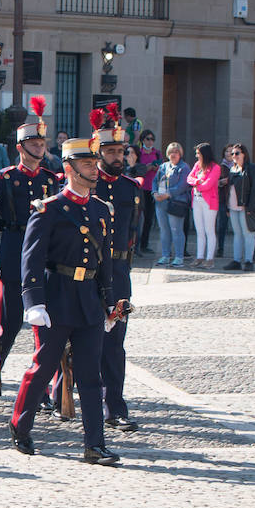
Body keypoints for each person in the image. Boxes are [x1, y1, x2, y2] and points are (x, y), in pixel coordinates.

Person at [9, 135, 119, 465]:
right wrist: (33, 302)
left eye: (94, 163)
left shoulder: (101, 210)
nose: (95, 169)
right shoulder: (49, 210)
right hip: (56, 298)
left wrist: (109, 302)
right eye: (87, 164)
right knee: (42, 368)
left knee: (90, 375)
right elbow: (31, 258)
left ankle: (94, 444)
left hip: (87, 301)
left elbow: (105, 264)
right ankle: (20, 425)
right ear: (69, 169)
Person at [0, 96, 59, 405]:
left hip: (44, 258)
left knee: (45, 326)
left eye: (42, 144)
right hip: (13, 254)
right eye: (34, 144)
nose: (39, 148)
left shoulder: (50, 180)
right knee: (8, 325)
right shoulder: (4, 179)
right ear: (21, 148)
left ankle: (39, 387)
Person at [93, 104, 142, 431]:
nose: (117, 157)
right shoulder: (88, 185)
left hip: (120, 274)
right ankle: (58, 392)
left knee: (116, 340)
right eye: (110, 151)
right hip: (90, 273)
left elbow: (136, 231)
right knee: (78, 337)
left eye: (120, 151)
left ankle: (115, 408)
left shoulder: (132, 188)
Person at [222, 144, 255, 271]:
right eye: (232, 154)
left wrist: (250, 207)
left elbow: (254, 189)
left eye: (237, 153)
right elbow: (229, 189)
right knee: (237, 234)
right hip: (233, 206)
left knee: (248, 234)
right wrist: (227, 207)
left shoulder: (251, 168)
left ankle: (249, 260)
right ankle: (236, 260)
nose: (234, 156)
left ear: (244, 154)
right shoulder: (233, 168)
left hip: (245, 206)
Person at [152, 142, 188, 268]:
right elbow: (155, 181)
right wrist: (155, 192)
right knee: (164, 230)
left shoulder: (184, 167)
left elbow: (183, 185)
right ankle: (165, 255)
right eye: (171, 152)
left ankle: (179, 257)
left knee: (176, 230)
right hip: (161, 202)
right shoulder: (163, 166)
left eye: (176, 152)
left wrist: (168, 194)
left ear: (180, 154)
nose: (173, 154)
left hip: (175, 202)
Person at [186, 143, 221, 269]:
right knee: (199, 230)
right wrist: (196, 182)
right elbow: (189, 178)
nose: (196, 155)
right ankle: (200, 256)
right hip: (196, 200)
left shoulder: (215, 167)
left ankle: (210, 258)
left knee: (209, 230)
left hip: (209, 202)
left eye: (198, 153)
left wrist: (197, 186)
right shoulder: (197, 165)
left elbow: (209, 184)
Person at [137, 131, 160, 253]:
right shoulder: (139, 154)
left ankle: (144, 244)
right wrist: (148, 167)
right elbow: (137, 170)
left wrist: (156, 167)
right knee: (138, 217)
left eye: (152, 139)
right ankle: (136, 244)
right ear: (142, 140)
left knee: (149, 218)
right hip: (141, 188)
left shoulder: (156, 153)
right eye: (147, 139)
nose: (150, 141)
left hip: (152, 189)